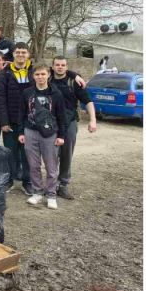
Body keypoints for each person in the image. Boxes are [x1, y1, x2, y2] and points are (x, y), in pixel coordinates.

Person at [18, 66, 67, 209]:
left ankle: (51, 195)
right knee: (33, 165)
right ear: (33, 76)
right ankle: (37, 192)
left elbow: (61, 116)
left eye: (43, 74)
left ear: (48, 75)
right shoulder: (27, 93)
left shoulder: (56, 94)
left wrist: (61, 135)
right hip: (30, 131)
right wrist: (21, 132)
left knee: (51, 166)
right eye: (37, 74)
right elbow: (21, 114)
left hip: (50, 133)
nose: (40, 77)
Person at [50, 57, 95, 200]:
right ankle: (51, 184)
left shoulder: (74, 82)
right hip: (50, 123)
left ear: (67, 66)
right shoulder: (47, 79)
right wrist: (74, 74)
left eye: (63, 65)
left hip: (69, 122)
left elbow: (88, 101)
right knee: (51, 154)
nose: (60, 67)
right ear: (52, 66)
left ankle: (63, 184)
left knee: (66, 154)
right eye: (57, 65)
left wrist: (93, 120)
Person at [0, 42, 35, 194]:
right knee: (10, 152)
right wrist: (3, 122)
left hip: (30, 121)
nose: (20, 55)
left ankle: (27, 181)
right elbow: (0, 98)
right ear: (13, 54)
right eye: (18, 52)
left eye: (23, 52)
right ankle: (9, 180)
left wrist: (74, 75)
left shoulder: (35, 71)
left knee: (28, 153)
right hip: (10, 121)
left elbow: (58, 70)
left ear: (28, 54)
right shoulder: (4, 73)